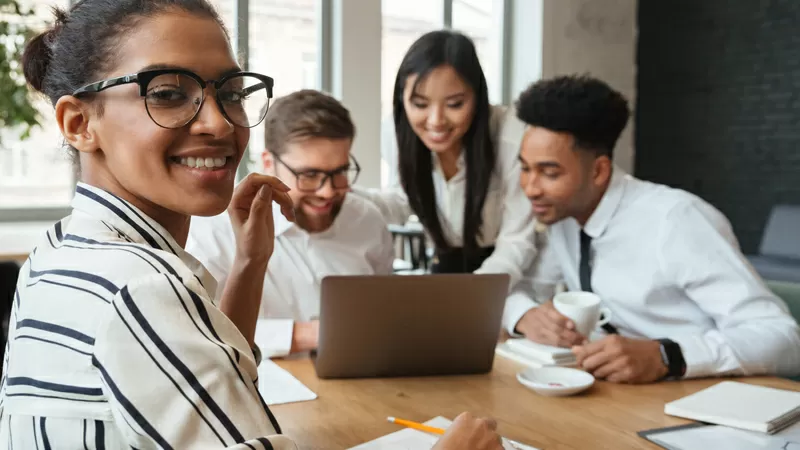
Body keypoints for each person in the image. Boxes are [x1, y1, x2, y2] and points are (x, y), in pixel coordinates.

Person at [0, 2, 505, 449]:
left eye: (231, 92)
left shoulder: (56, 252)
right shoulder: (140, 289)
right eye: (169, 93)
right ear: (79, 123)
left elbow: (222, 381)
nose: (220, 122)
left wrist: (250, 261)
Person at [511, 74, 800, 384]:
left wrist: (667, 356)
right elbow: (523, 288)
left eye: (549, 173)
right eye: (525, 168)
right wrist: (523, 316)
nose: (530, 188)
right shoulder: (562, 216)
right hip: (622, 397)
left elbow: (783, 339)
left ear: (598, 171)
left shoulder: (676, 220)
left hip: (700, 398)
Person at [187, 90, 394, 358]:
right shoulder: (215, 230)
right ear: (268, 163)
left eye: (339, 172)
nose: (327, 192)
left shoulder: (367, 220)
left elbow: (386, 314)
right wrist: (311, 334)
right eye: (309, 175)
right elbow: (201, 333)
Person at [354, 30, 536, 288]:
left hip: (510, 269)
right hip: (444, 262)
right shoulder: (395, 133)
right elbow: (402, 200)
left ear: (477, 98)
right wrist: (345, 192)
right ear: (401, 99)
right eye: (419, 104)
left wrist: (477, 293)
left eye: (454, 104)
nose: (436, 121)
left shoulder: (509, 136)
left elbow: (518, 239)